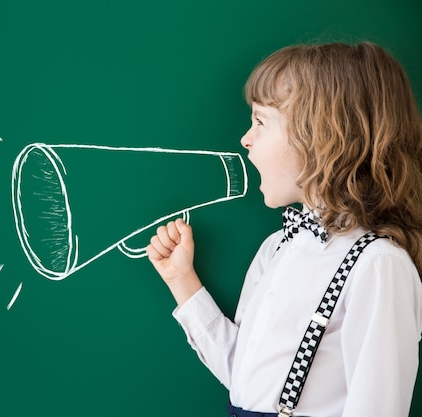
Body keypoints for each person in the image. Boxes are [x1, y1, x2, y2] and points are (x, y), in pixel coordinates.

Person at [147, 42, 422, 417]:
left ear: (325, 137)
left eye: (260, 121)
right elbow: (244, 377)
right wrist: (183, 282)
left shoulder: (377, 265)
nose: (245, 138)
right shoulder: (277, 247)